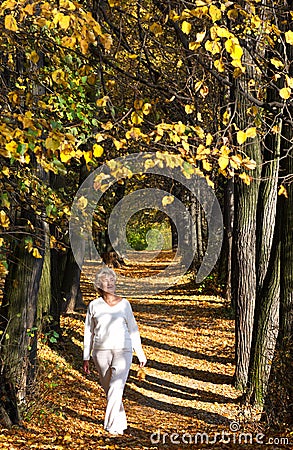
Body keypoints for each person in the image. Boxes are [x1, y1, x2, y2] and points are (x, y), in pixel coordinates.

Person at [83, 266, 147, 436]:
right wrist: (86, 357)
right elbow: (88, 332)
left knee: (116, 388)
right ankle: (120, 421)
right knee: (109, 390)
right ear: (99, 285)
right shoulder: (93, 305)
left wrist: (139, 352)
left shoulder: (125, 304)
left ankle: (111, 427)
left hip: (123, 351)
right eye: (106, 280)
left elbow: (133, 329)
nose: (110, 283)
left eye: (112, 280)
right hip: (100, 352)